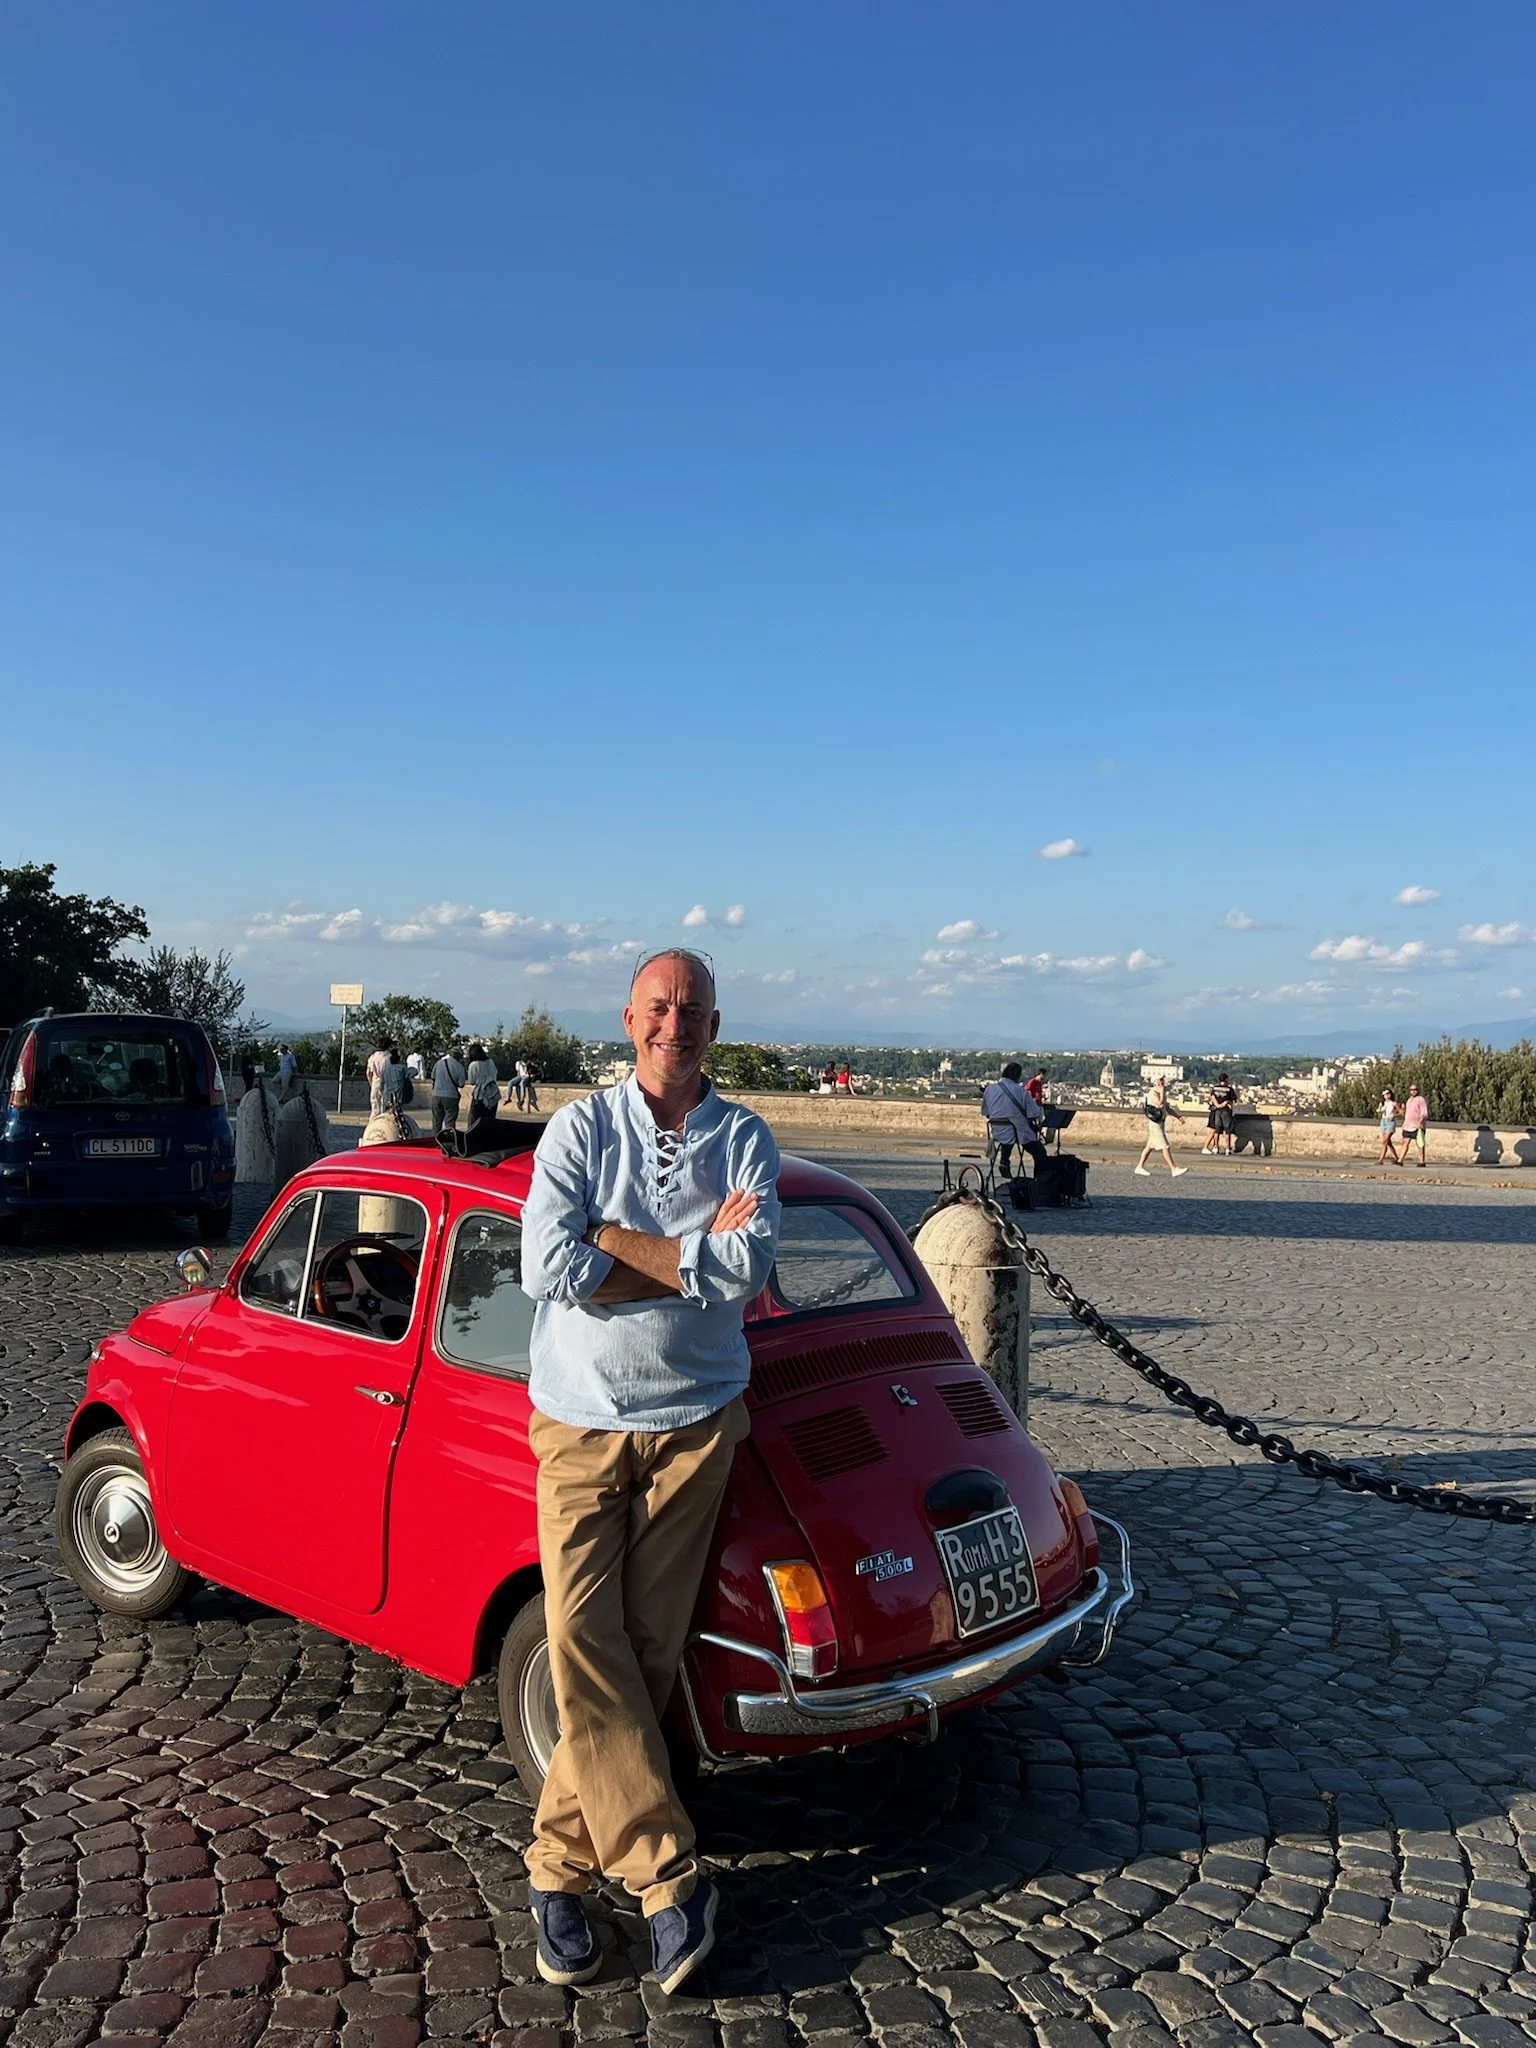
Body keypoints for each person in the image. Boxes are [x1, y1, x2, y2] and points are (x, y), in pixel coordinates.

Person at [518, 948, 781, 1994]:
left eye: (695, 1008)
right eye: (660, 1005)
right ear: (630, 1017)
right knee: (584, 1638)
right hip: (578, 1423)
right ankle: (671, 1879)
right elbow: (547, 1264)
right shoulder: (579, 1128)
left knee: (646, 1649)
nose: (677, 1022)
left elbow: (748, 1271)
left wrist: (616, 1246)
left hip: (697, 1425)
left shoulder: (745, 1136)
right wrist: (684, 1256)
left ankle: (556, 1867)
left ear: (717, 1022)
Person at [981, 1062, 1047, 1178]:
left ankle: (1004, 1161)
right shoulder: (1020, 1091)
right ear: (1017, 1076)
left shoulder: (989, 1090)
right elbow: (1034, 1113)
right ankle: (1039, 1182)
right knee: (1040, 1153)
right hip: (1018, 1133)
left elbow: (986, 1113)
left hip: (997, 1132)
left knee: (1009, 1135)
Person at [1136, 1075, 1188, 1178]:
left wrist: (1178, 1117)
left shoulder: (1161, 1093)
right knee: (1165, 1146)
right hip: (1155, 1123)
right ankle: (1173, 1168)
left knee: (1149, 1146)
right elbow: (1159, 1104)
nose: (1163, 1081)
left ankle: (1139, 1166)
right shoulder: (1153, 1093)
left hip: (1160, 1122)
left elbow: (1166, 1107)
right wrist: (1161, 1091)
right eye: (1161, 1080)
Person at [430, 1044, 468, 1139]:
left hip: (436, 1095)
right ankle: (448, 1141)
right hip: (451, 1097)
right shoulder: (460, 1067)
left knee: (436, 1121)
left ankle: (435, 1141)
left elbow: (433, 1077)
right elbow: (461, 1084)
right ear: (459, 1056)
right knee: (450, 1122)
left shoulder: (439, 1063)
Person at [1203, 1072, 1238, 1157]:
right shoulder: (1229, 1089)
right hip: (1226, 1111)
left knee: (1217, 1130)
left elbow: (1212, 1097)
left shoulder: (1215, 1088)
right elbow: (1233, 1101)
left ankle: (1215, 1147)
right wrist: (1226, 1103)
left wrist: (1218, 1105)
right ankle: (1228, 1148)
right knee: (1227, 1130)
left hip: (1217, 1111)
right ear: (1226, 1080)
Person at [465, 1042, 502, 1118]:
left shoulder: (473, 1065)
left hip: (480, 1095)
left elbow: (471, 1081)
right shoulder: (490, 1062)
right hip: (492, 1095)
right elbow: (495, 1074)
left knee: (475, 1119)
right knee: (490, 1120)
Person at [1400, 1083, 1429, 1167]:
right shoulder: (1409, 1100)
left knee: (1420, 1143)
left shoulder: (1421, 1100)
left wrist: (1420, 1123)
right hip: (1408, 1125)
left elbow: (1424, 1113)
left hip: (1417, 1125)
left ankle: (1422, 1161)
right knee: (1405, 1142)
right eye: (1411, 1090)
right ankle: (1400, 1159)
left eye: (1415, 1089)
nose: (1413, 1091)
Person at [1376, 1088, 1402, 1165]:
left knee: (1385, 1141)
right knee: (1388, 1142)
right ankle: (1397, 1158)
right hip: (1383, 1121)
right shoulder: (1383, 1103)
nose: (1387, 1096)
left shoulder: (1393, 1103)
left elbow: (1401, 1112)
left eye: (1388, 1094)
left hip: (1390, 1122)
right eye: (1385, 1095)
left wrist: (1394, 1115)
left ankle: (1381, 1159)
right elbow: (1379, 1111)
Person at [366, 1043, 392, 1117]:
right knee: (385, 1107)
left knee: (375, 1107)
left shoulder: (373, 1057)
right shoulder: (389, 1057)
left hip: (375, 1081)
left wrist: (371, 1083)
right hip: (387, 1082)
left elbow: (369, 1072)